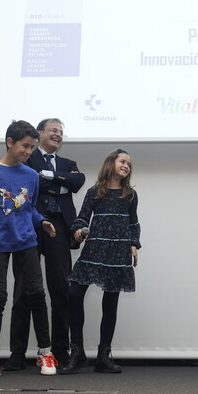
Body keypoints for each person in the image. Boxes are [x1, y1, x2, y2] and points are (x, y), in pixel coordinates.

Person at [0, 120, 58, 377]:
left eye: (32, 147)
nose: (29, 152)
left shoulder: (30, 175)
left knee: (37, 293)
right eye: (25, 146)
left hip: (26, 241)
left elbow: (29, 209)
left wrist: (41, 222)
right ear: (10, 142)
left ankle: (45, 352)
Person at [5, 118, 85, 371]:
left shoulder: (68, 163)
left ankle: (60, 351)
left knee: (60, 289)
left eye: (61, 132)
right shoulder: (27, 157)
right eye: (53, 130)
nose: (58, 134)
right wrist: (60, 184)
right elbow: (32, 184)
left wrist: (49, 177)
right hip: (29, 224)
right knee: (24, 289)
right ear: (40, 133)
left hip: (59, 228)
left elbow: (77, 182)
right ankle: (17, 353)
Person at [61, 149, 141, 375]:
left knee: (110, 303)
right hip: (94, 250)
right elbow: (82, 218)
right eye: (122, 161)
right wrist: (79, 231)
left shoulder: (130, 195)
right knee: (74, 294)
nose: (126, 166)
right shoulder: (94, 191)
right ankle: (77, 352)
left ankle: (104, 356)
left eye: (129, 164)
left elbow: (133, 223)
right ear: (111, 163)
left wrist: (134, 244)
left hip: (118, 252)